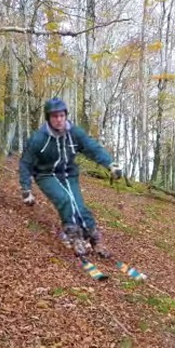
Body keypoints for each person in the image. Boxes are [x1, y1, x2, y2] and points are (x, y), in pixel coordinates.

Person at [19, 97, 122, 257]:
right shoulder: (39, 138)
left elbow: (92, 148)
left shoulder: (74, 133)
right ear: (48, 118)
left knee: (79, 206)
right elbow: (25, 163)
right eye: (54, 116)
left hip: (68, 174)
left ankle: (95, 239)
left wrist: (110, 164)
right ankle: (74, 237)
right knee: (65, 200)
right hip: (45, 175)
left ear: (65, 115)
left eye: (61, 115)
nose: (59, 120)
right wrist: (26, 189)